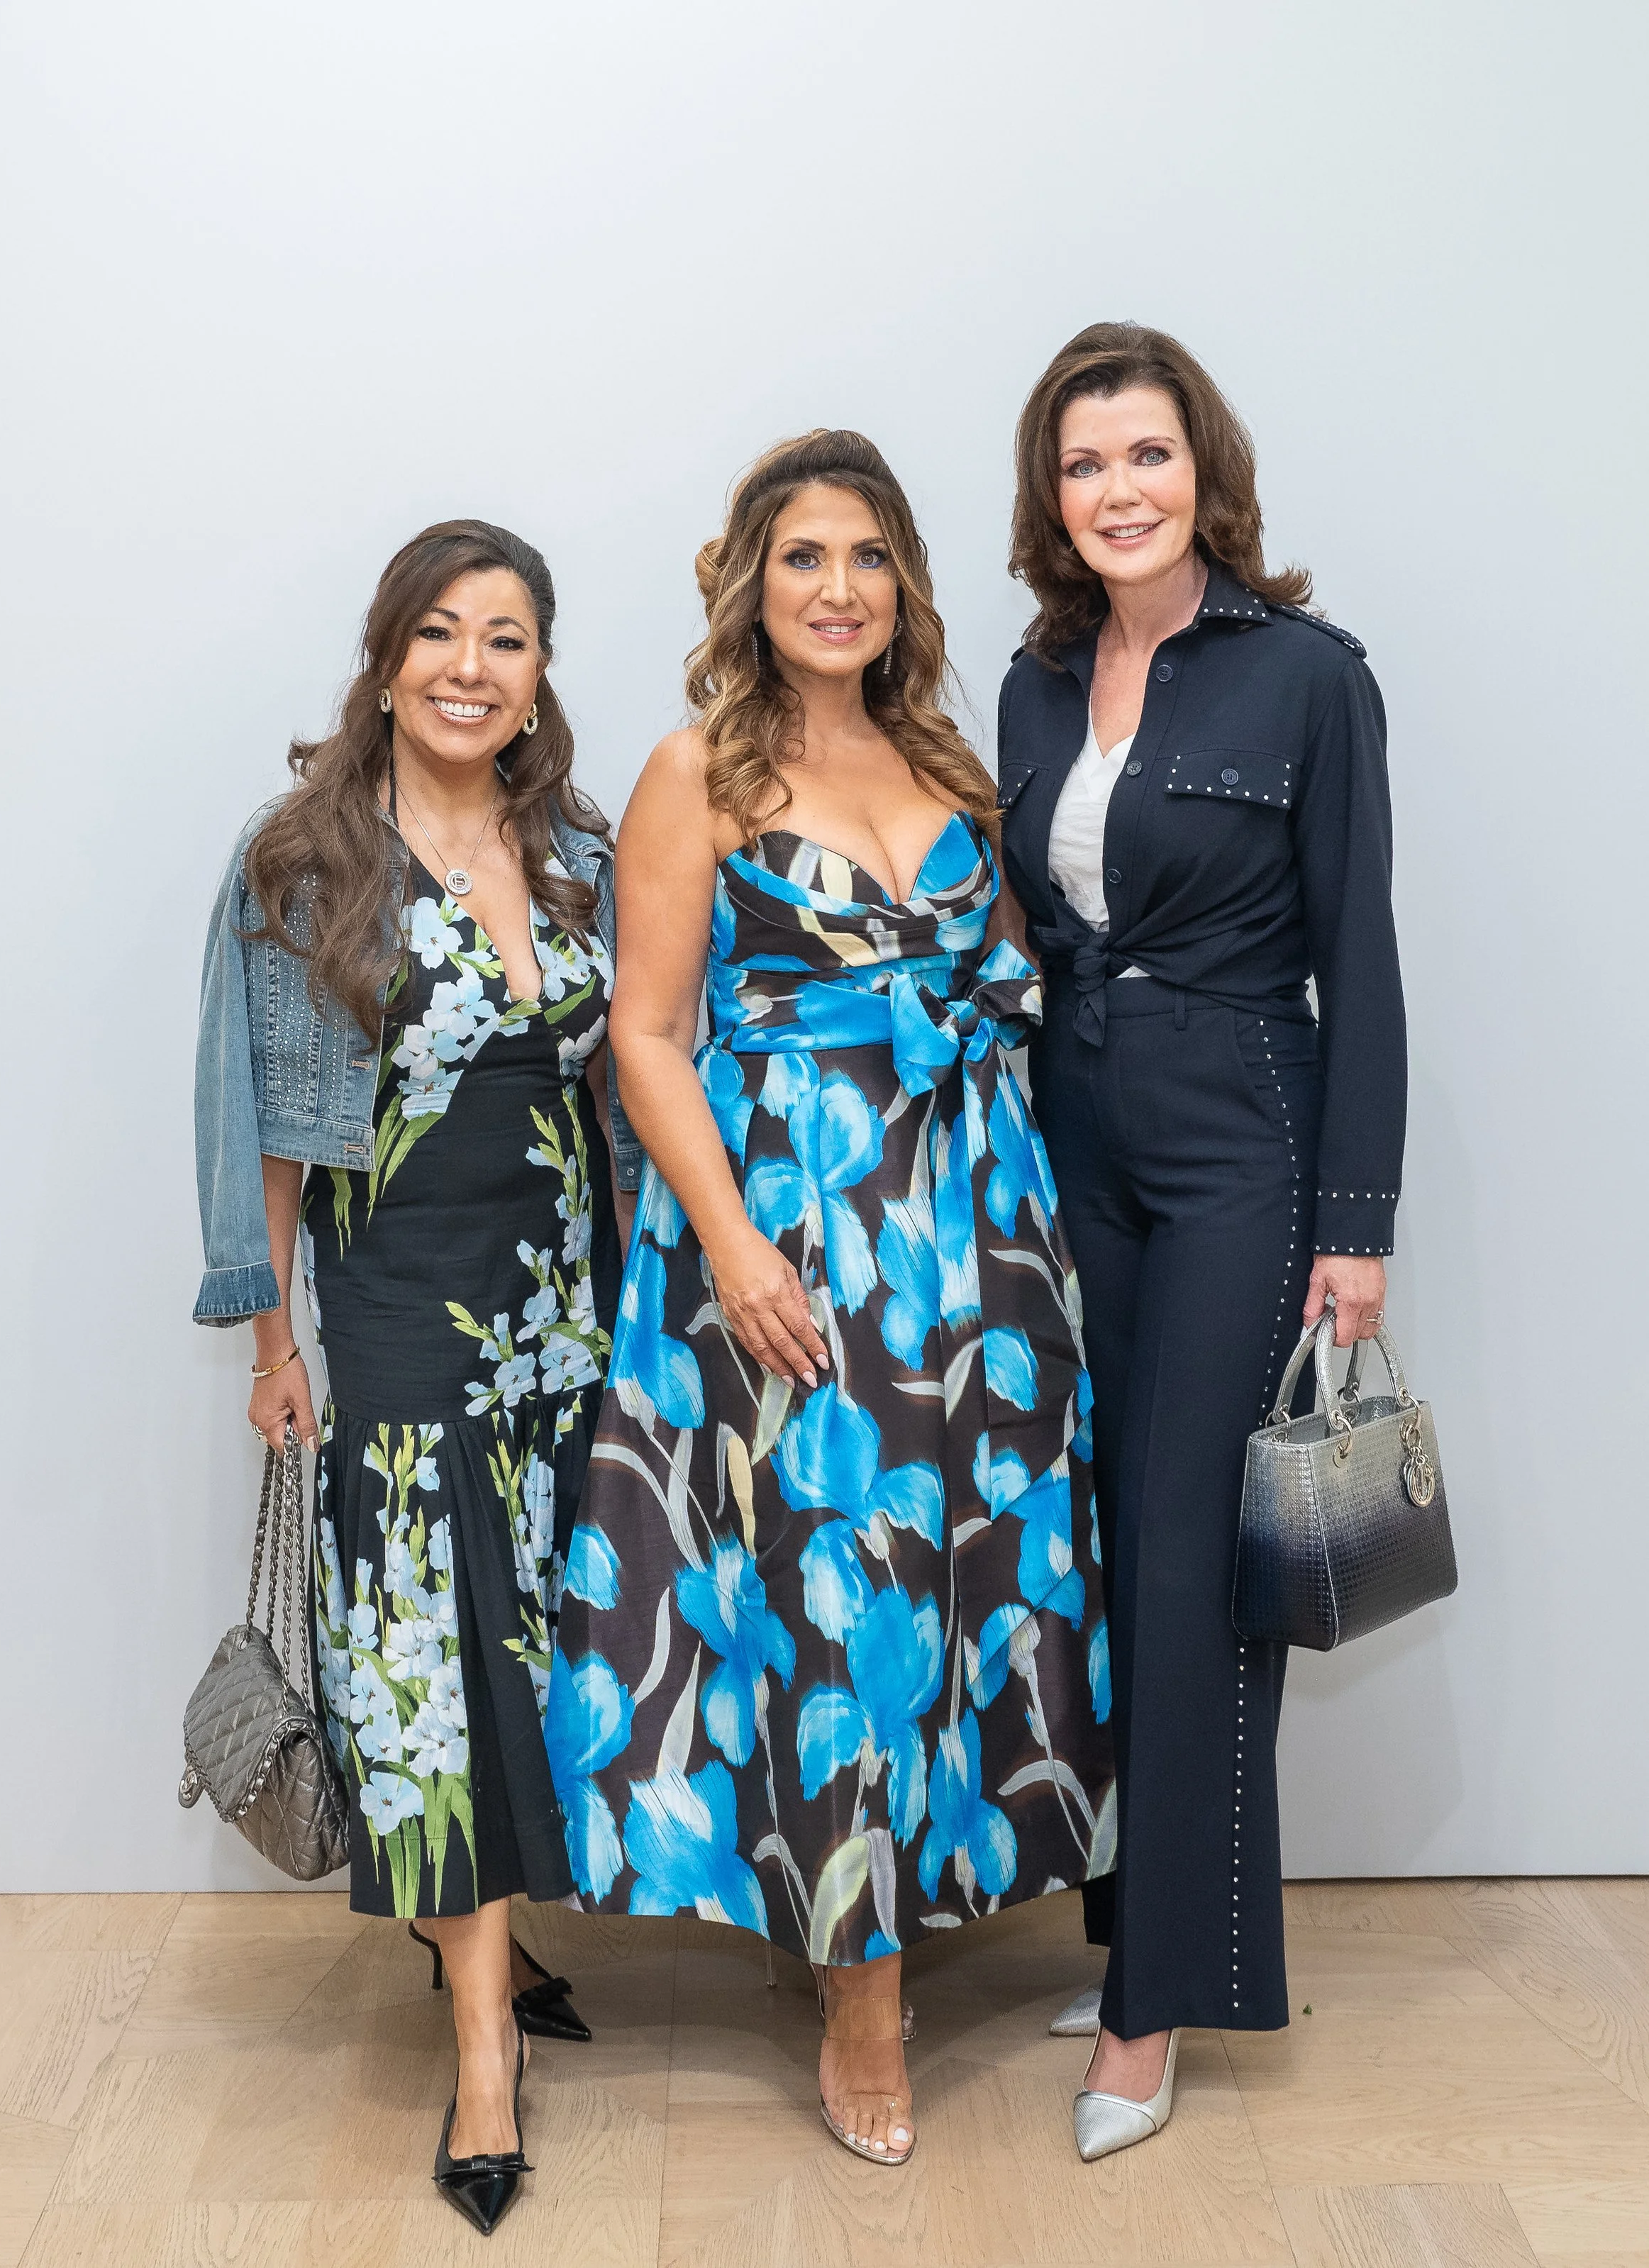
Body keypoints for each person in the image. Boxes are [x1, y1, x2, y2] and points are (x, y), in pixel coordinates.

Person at [545, 430, 1114, 2168]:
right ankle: (860, 1998)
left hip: (979, 1232)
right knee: (832, 1587)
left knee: (960, 1585)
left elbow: (1013, 990)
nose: (837, 587)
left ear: (903, 586)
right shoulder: (694, 773)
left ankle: (915, 1897)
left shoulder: (947, 761)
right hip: (794, 1232)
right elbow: (646, 1033)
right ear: (749, 582)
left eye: (866, 556)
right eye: (803, 555)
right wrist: (730, 1247)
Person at [192, 519, 640, 2236]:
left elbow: (635, 1068)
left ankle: (490, 1946)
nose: (470, 667)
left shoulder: (579, 852)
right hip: (394, 1312)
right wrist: (272, 1336)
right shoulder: (304, 859)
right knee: (423, 1666)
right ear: (386, 663)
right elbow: (258, 1116)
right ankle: (480, 2055)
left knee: (535, 1636)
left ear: (538, 674)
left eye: (505, 638)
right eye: (438, 633)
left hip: (567, 1309)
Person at [995, 324, 1406, 2159]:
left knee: (1188, 1559)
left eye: (1145, 453)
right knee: (1100, 1546)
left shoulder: (1306, 676)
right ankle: (1148, 1930)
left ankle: (1153, 2005)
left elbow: (1360, 957)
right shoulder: (1034, 680)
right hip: (1069, 1133)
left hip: (1242, 1132)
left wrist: (1353, 1227)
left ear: (1203, 469)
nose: (1117, 489)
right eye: (1083, 462)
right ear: (1050, 493)